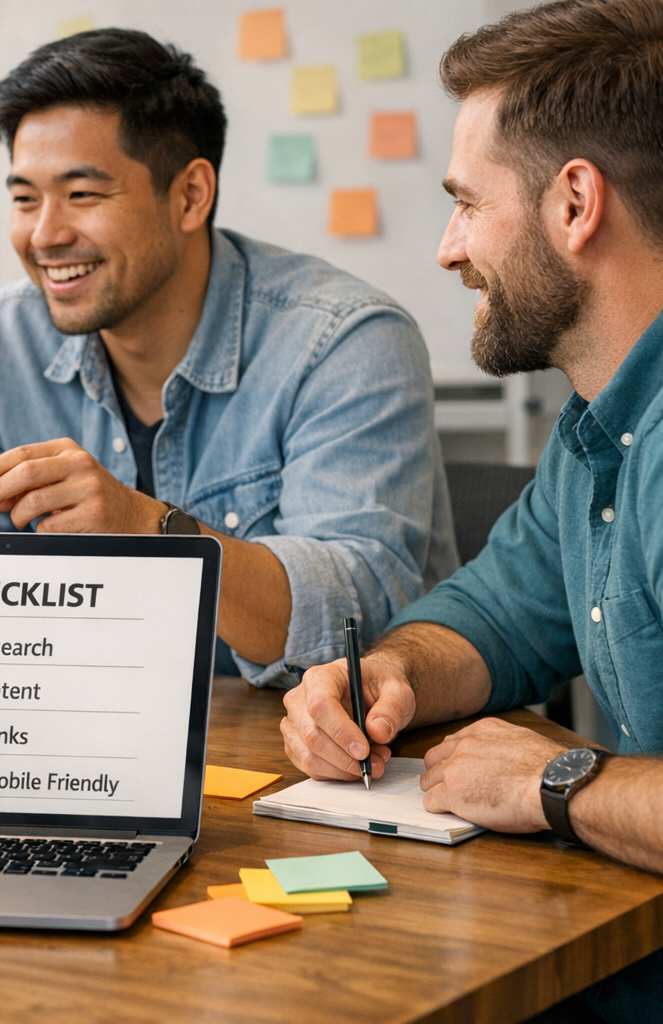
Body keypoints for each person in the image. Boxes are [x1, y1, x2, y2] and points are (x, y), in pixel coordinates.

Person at [281, 2, 663, 1019]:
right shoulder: (599, 429)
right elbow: (495, 614)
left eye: (466, 202)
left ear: (574, 202)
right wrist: (390, 674)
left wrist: (557, 781)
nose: (449, 251)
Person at [0, 29, 457, 687]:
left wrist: (148, 528)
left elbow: (355, 615)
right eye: (25, 198)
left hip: (303, 757)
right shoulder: (1, 339)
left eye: (82, 195)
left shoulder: (346, 341)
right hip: (73, 742)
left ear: (190, 196)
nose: (44, 234)